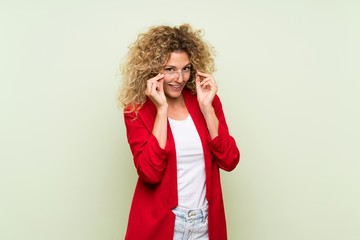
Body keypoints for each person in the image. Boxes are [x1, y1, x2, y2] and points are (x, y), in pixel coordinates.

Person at [117, 23, 240, 240]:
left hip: (205, 224)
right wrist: (162, 109)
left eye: (186, 68)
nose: (180, 78)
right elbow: (149, 173)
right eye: (170, 70)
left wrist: (207, 108)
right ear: (154, 70)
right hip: (163, 226)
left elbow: (229, 160)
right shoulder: (136, 110)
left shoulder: (206, 102)